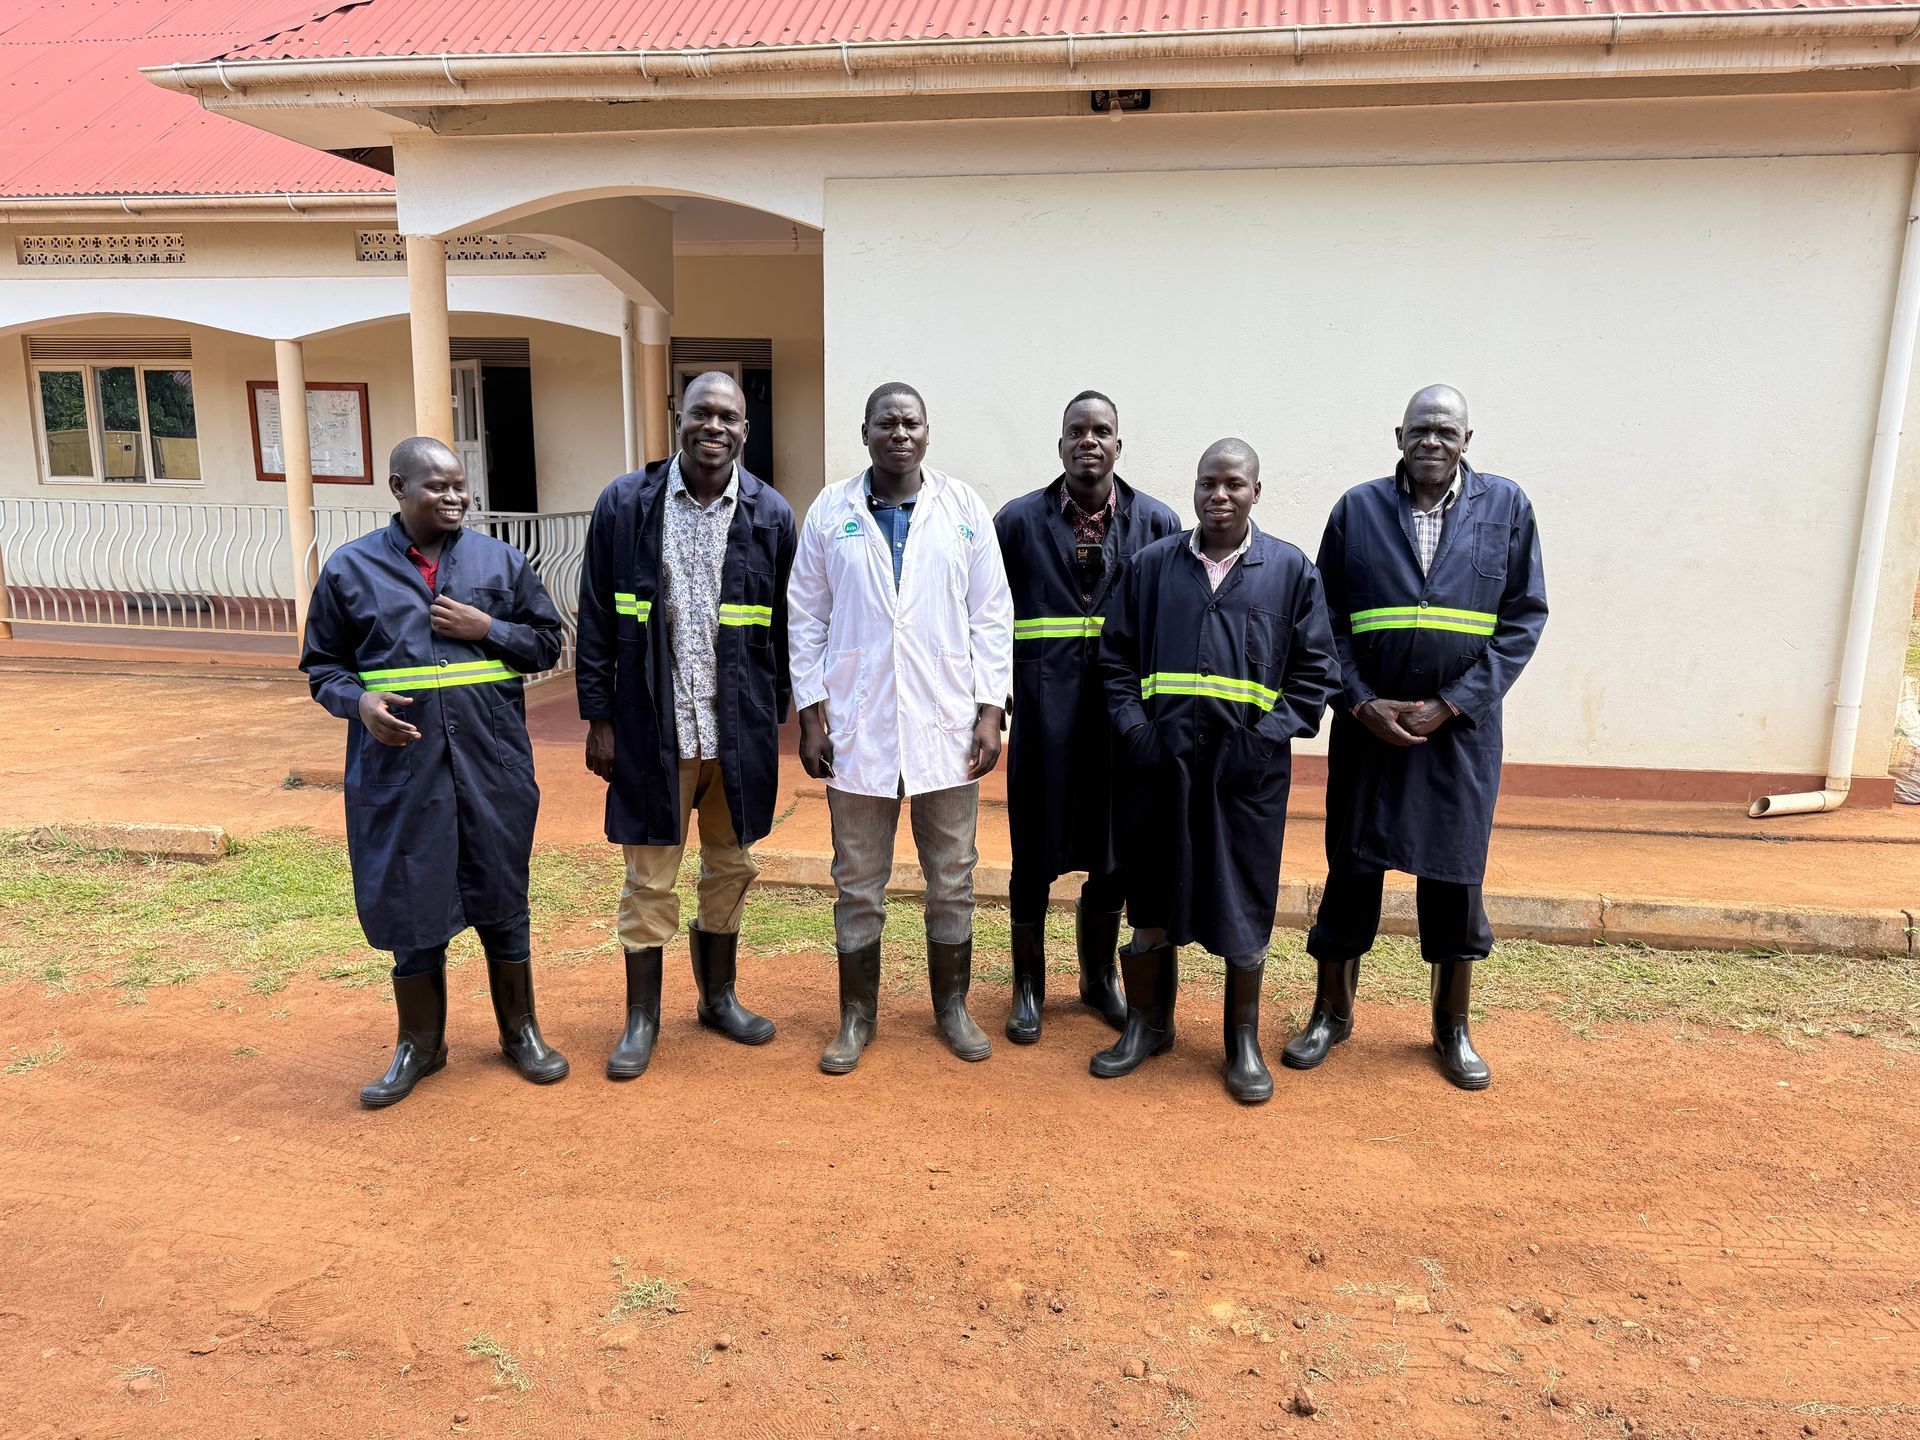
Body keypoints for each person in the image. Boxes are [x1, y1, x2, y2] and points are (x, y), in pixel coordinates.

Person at [1286, 385, 1547, 1090]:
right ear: (1398, 435)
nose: (1432, 441)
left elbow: (1523, 618)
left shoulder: (1507, 507)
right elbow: (1324, 619)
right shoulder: (1357, 510)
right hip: (1370, 728)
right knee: (1351, 868)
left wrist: (1453, 703)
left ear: (1467, 439)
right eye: (1420, 429)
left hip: (1458, 737)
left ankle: (1450, 1026)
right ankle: (1331, 1012)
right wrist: (1359, 701)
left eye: (1446, 430)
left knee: (1455, 878)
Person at [303, 436, 570, 1107]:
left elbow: (547, 642)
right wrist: (359, 704)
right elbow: (324, 667)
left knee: (503, 897)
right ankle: (421, 1045)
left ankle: (520, 1032)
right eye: (437, 486)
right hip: (401, 769)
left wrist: (488, 628)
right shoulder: (350, 569)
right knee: (412, 900)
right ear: (399, 487)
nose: (455, 497)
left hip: (491, 764)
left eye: (460, 486)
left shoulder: (499, 562)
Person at [1096, 439, 1341, 1103]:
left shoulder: (1290, 571)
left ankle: (1242, 1042)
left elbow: (1315, 673)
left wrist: (1264, 739)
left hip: (1245, 776)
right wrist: (1136, 730)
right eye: (1209, 483)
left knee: (1242, 900)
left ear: (1256, 491)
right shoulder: (1152, 566)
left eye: (1234, 483)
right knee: (1152, 893)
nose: (1220, 495)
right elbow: (1115, 659)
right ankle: (1148, 1025)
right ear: (1195, 488)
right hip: (1161, 766)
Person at [574, 372, 796, 1080]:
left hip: (737, 731)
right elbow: (597, 616)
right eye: (702, 412)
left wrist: (777, 716)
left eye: (729, 416)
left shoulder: (771, 514)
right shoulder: (626, 503)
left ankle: (718, 998)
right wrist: (599, 718)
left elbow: (786, 629)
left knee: (730, 866)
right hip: (653, 729)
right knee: (649, 878)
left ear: (745, 430)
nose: (714, 427)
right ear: (681, 417)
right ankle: (641, 1018)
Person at [788, 382, 1014, 1073]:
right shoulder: (831, 510)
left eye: (910, 422)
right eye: (886, 422)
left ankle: (952, 1007)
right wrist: (811, 715)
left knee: (952, 875)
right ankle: (857, 1015)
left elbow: (991, 614)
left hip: (948, 721)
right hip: (856, 725)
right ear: (865, 433)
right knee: (858, 879)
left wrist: (990, 711)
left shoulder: (963, 507)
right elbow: (805, 615)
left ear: (926, 432)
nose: (899, 433)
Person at [992, 391, 1180, 1043]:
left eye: (1101, 431)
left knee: (1115, 851)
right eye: (1077, 431)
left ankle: (1098, 979)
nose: (1089, 441)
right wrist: (992, 693)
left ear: (1118, 446)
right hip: (1042, 715)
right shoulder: (1017, 522)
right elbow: (983, 613)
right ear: (1061, 444)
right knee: (1032, 848)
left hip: (1123, 720)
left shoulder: (1157, 522)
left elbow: (1172, 618)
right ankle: (1027, 985)